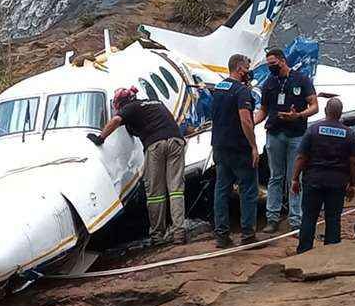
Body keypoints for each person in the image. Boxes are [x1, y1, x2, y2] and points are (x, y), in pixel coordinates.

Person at [89, 87, 188, 244]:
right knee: (176, 189)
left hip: (155, 144)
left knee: (156, 192)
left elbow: (116, 121)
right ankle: (179, 233)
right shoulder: (156, 103)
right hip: (176, 141)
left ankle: (157, 235)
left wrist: (101, 138)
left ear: (121, 104)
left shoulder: (130, 108)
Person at [258, 47, 318, 233]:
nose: (271, 68)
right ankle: (272, 217)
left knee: (295, 176)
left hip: (296, 134)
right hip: (275, 133)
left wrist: (299, 115)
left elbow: (314, 106)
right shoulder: (268, 83)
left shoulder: (301, 79)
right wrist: (250, 121)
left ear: (283, 61)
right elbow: (264, 110)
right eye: (268, 65)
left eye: (273, 64)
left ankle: (295, 219)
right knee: (275, 176)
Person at [291, 97, 355, 254]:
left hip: (313, 180)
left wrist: (295, 178)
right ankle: (331, 253)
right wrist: (353, 184)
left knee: (309, 217)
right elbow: (354, 162)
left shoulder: (313, 130)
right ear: (340, 113)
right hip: (337, 183)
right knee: (333, 218)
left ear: (325, 111)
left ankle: (304, 252)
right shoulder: (348, 134)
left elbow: (301, 157)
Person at [210, 54, 261, 249]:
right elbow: (246, 120)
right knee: (248, 189)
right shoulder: (241, 91)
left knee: (221, 189)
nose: (249, 72)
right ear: (240, 69)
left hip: (219, 146)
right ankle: (248, 234)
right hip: (239, 148)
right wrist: (254, 146)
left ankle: (222, 235)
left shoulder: (218, 88)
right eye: (247, 68)